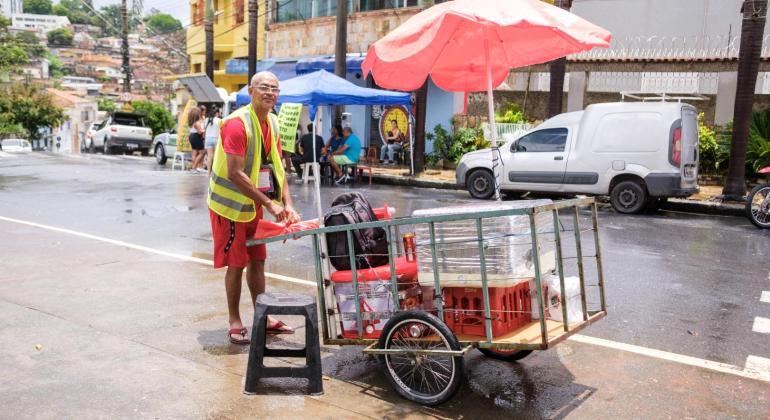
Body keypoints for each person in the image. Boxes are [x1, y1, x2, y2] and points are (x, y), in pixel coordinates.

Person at [207, 71, 300, 345]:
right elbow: (235, 173)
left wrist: (288, 204)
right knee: (236, 263)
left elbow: (278, 167)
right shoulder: (237, 124)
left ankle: (265, 316)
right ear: (251, 91)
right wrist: (269, 203)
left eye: (275, 88)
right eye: (264, 88)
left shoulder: (273, 121)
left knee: (258, 259)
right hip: (230, 206)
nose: (270, 93)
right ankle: (234, 320)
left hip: (254, 205)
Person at [204, 107, 222, 175]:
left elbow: (204, 130)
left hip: (208, 139)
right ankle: (215, 172)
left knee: (209, 156)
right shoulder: (219, 120)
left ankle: (208, 172)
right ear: (217, 113)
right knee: (216, 156)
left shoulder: (206, 120)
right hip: (216, 139)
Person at [188, 107, 206, 172]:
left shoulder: (192, 122)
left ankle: (194, 167)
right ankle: (194, 167)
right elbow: (200, 132)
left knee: (194, 152)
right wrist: (204, 130)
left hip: (191, 136)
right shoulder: (197, 122)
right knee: (202, 152)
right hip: (196, 136)